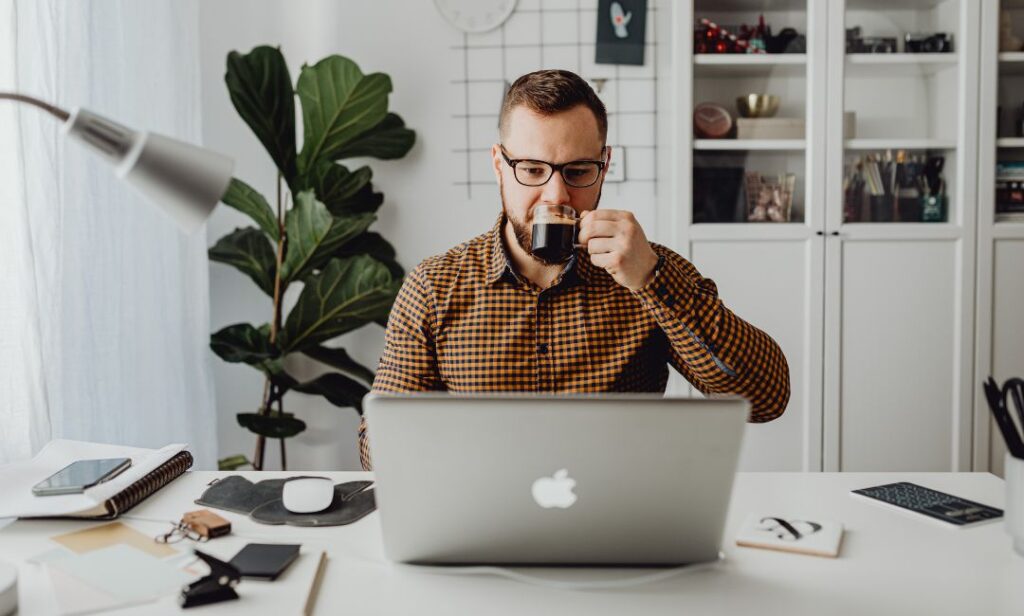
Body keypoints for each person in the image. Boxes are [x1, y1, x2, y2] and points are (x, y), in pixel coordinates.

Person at [359, 69, 789, 470]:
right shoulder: (435, 286)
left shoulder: (648, 271)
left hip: (617, 521)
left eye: (578, 171)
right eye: (531, 169)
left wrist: (655, 282)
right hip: (483, 518)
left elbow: (766, 399)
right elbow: (377, 452)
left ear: (604, 166)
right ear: (498, 165)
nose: (555, 196)